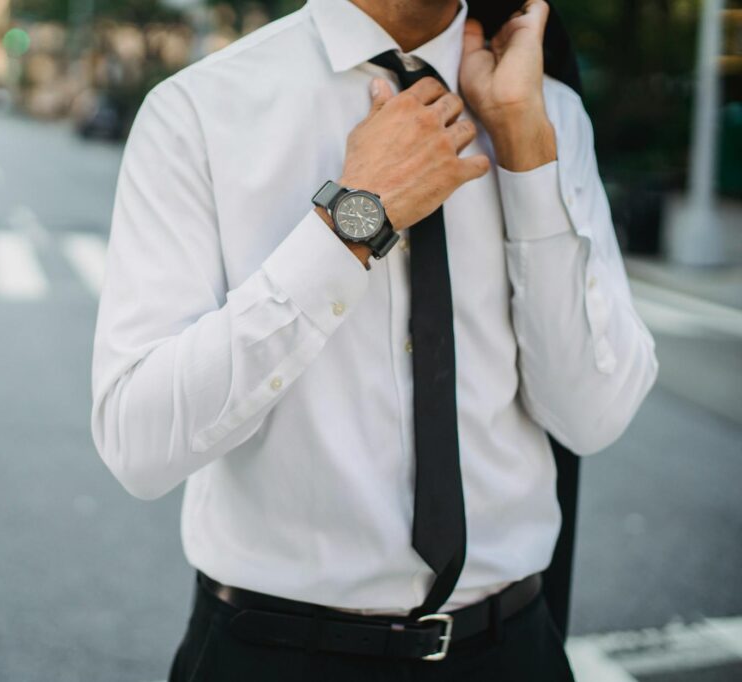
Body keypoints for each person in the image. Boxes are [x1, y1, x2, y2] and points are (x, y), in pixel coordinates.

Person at [90, 0, 658, 679]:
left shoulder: (547, 111)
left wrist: (527, 150)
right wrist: (353, 220)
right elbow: (139, 443)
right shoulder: (198, 111)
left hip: (513, 649)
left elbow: (590, 417)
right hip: (275, 655)